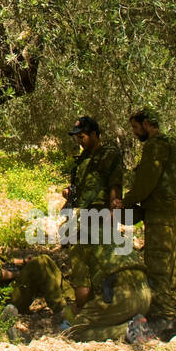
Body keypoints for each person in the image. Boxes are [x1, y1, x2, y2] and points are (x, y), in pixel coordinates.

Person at [113, 108, 176, 340]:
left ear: (146, 124)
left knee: (158, 266)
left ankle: (164, 319)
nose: (135, 133)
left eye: (136, 128)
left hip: (160, 216)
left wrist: (126, 201)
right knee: (171, 265)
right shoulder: (169, 144)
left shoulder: (155, 146)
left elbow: (147, 182)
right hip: (168, 213)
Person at [62, 116, 125, 308]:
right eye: (77, 137)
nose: (79, 141)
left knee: (100, 258)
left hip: (101, 214)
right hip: (83, 213)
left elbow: (115, 182)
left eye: (82, 136)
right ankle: (86, 302)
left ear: (95, 135)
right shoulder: (83, 158)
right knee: (81, 256)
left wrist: (114, 211)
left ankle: (101, 302)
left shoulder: (109, 154)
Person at [63, 258, 153, 343]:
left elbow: (83, 291)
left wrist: (77, 308)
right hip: (145, 294)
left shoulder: (81, 246)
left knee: (75, 332)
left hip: (121, 295)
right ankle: (136, 326)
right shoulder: (117, 241)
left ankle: (127, 331)